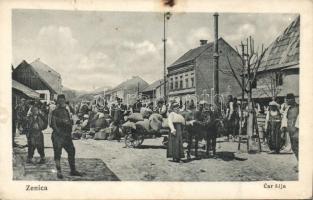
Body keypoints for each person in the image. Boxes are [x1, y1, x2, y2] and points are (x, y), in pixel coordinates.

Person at [51, 94, 82, 179]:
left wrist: (69, 124)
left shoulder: (66, 110)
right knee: (57, 154)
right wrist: (60, 129)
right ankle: (59, 171)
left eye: (63, 101)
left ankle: (73, 170)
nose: (62, 102)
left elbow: (72, 116)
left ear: (64, 101)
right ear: (58, 102)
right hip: (58, 136)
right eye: (60, 101)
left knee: (72, 151)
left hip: (66, 136)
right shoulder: (55, 111)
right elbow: (52, 124)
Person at [281, 93, 299, 160]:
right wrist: (283, 130)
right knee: (294, 148)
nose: (286, 101)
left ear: (292, 99)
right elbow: (284, 120)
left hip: (298, 131)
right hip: (291, 132)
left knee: (300, 147)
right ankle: (299, 162)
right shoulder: (287, 109)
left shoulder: (299, 107)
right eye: (286, 99)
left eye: (288, 100)